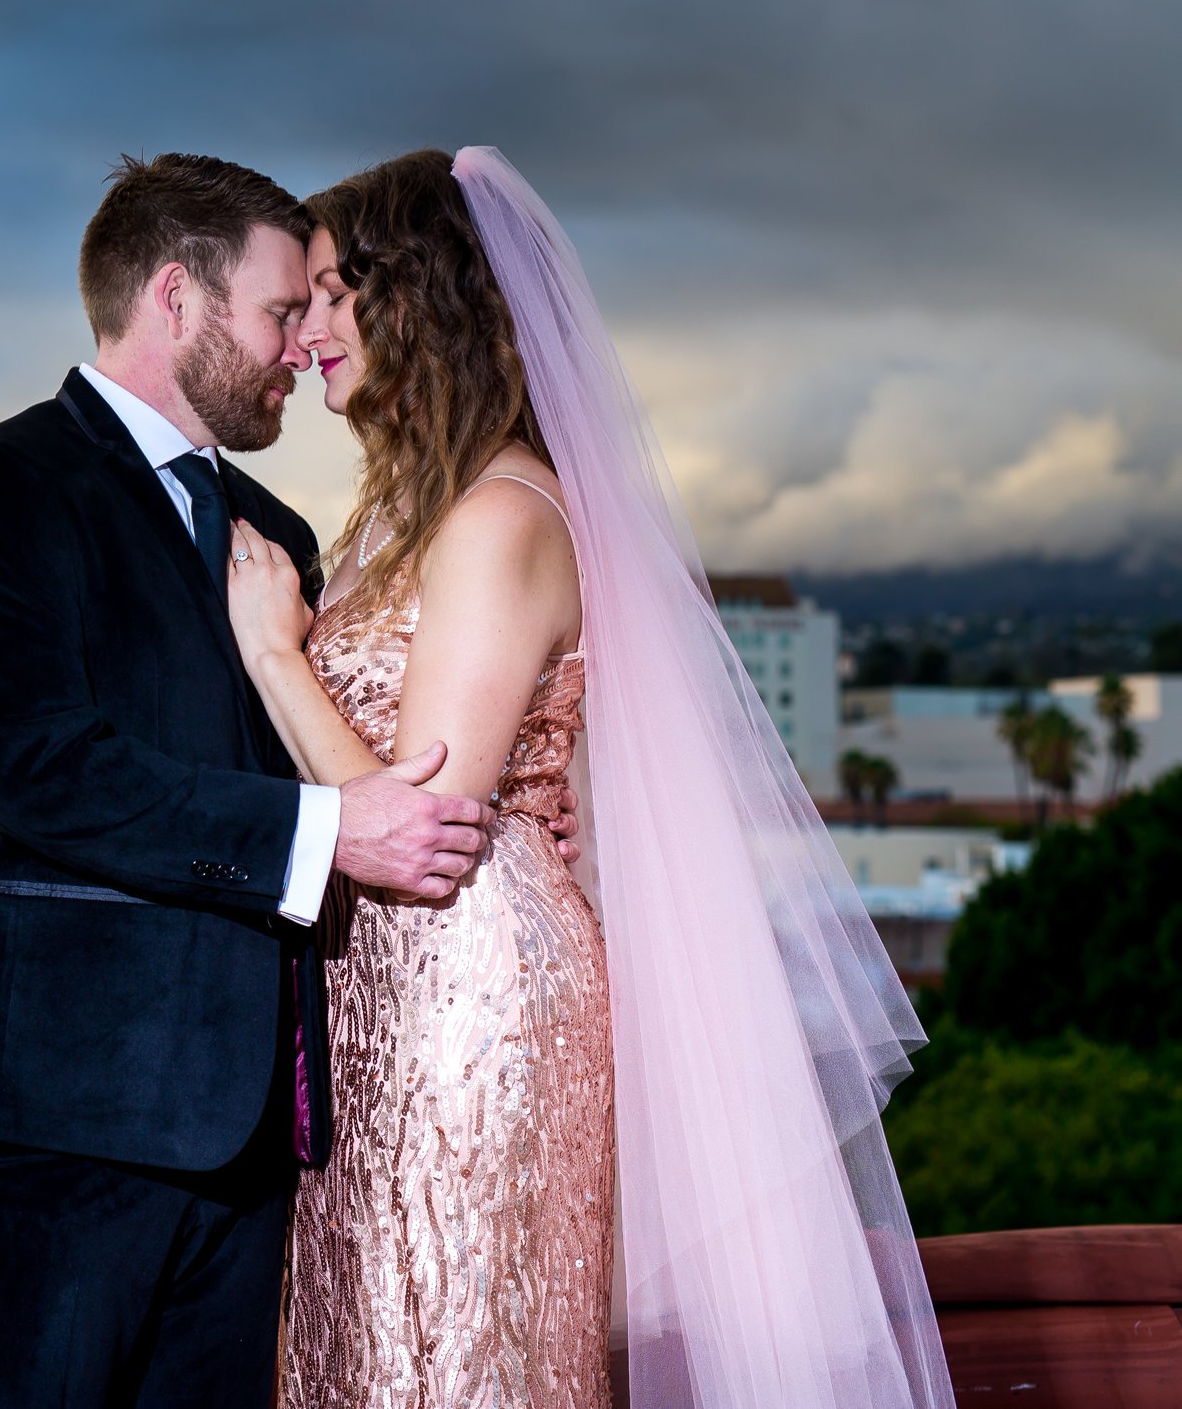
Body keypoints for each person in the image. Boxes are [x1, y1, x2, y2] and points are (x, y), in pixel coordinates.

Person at [226, 148, 952, 1409]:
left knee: (450, 1338)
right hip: (383, 983)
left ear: (424, 297)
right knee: (373, 1333)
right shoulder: (415, 513)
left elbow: (426, 815)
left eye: (339, 292)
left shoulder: (498, 517)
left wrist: (276, 656)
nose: (308, 333)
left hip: (461, 985)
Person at [0, 153, 577, 1409]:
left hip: (256, 1130)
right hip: (52, 1107)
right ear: (177, 301)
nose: (301, 345)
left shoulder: (277, 536)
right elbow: (45, 771)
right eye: (281, 309)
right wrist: (328, 834)